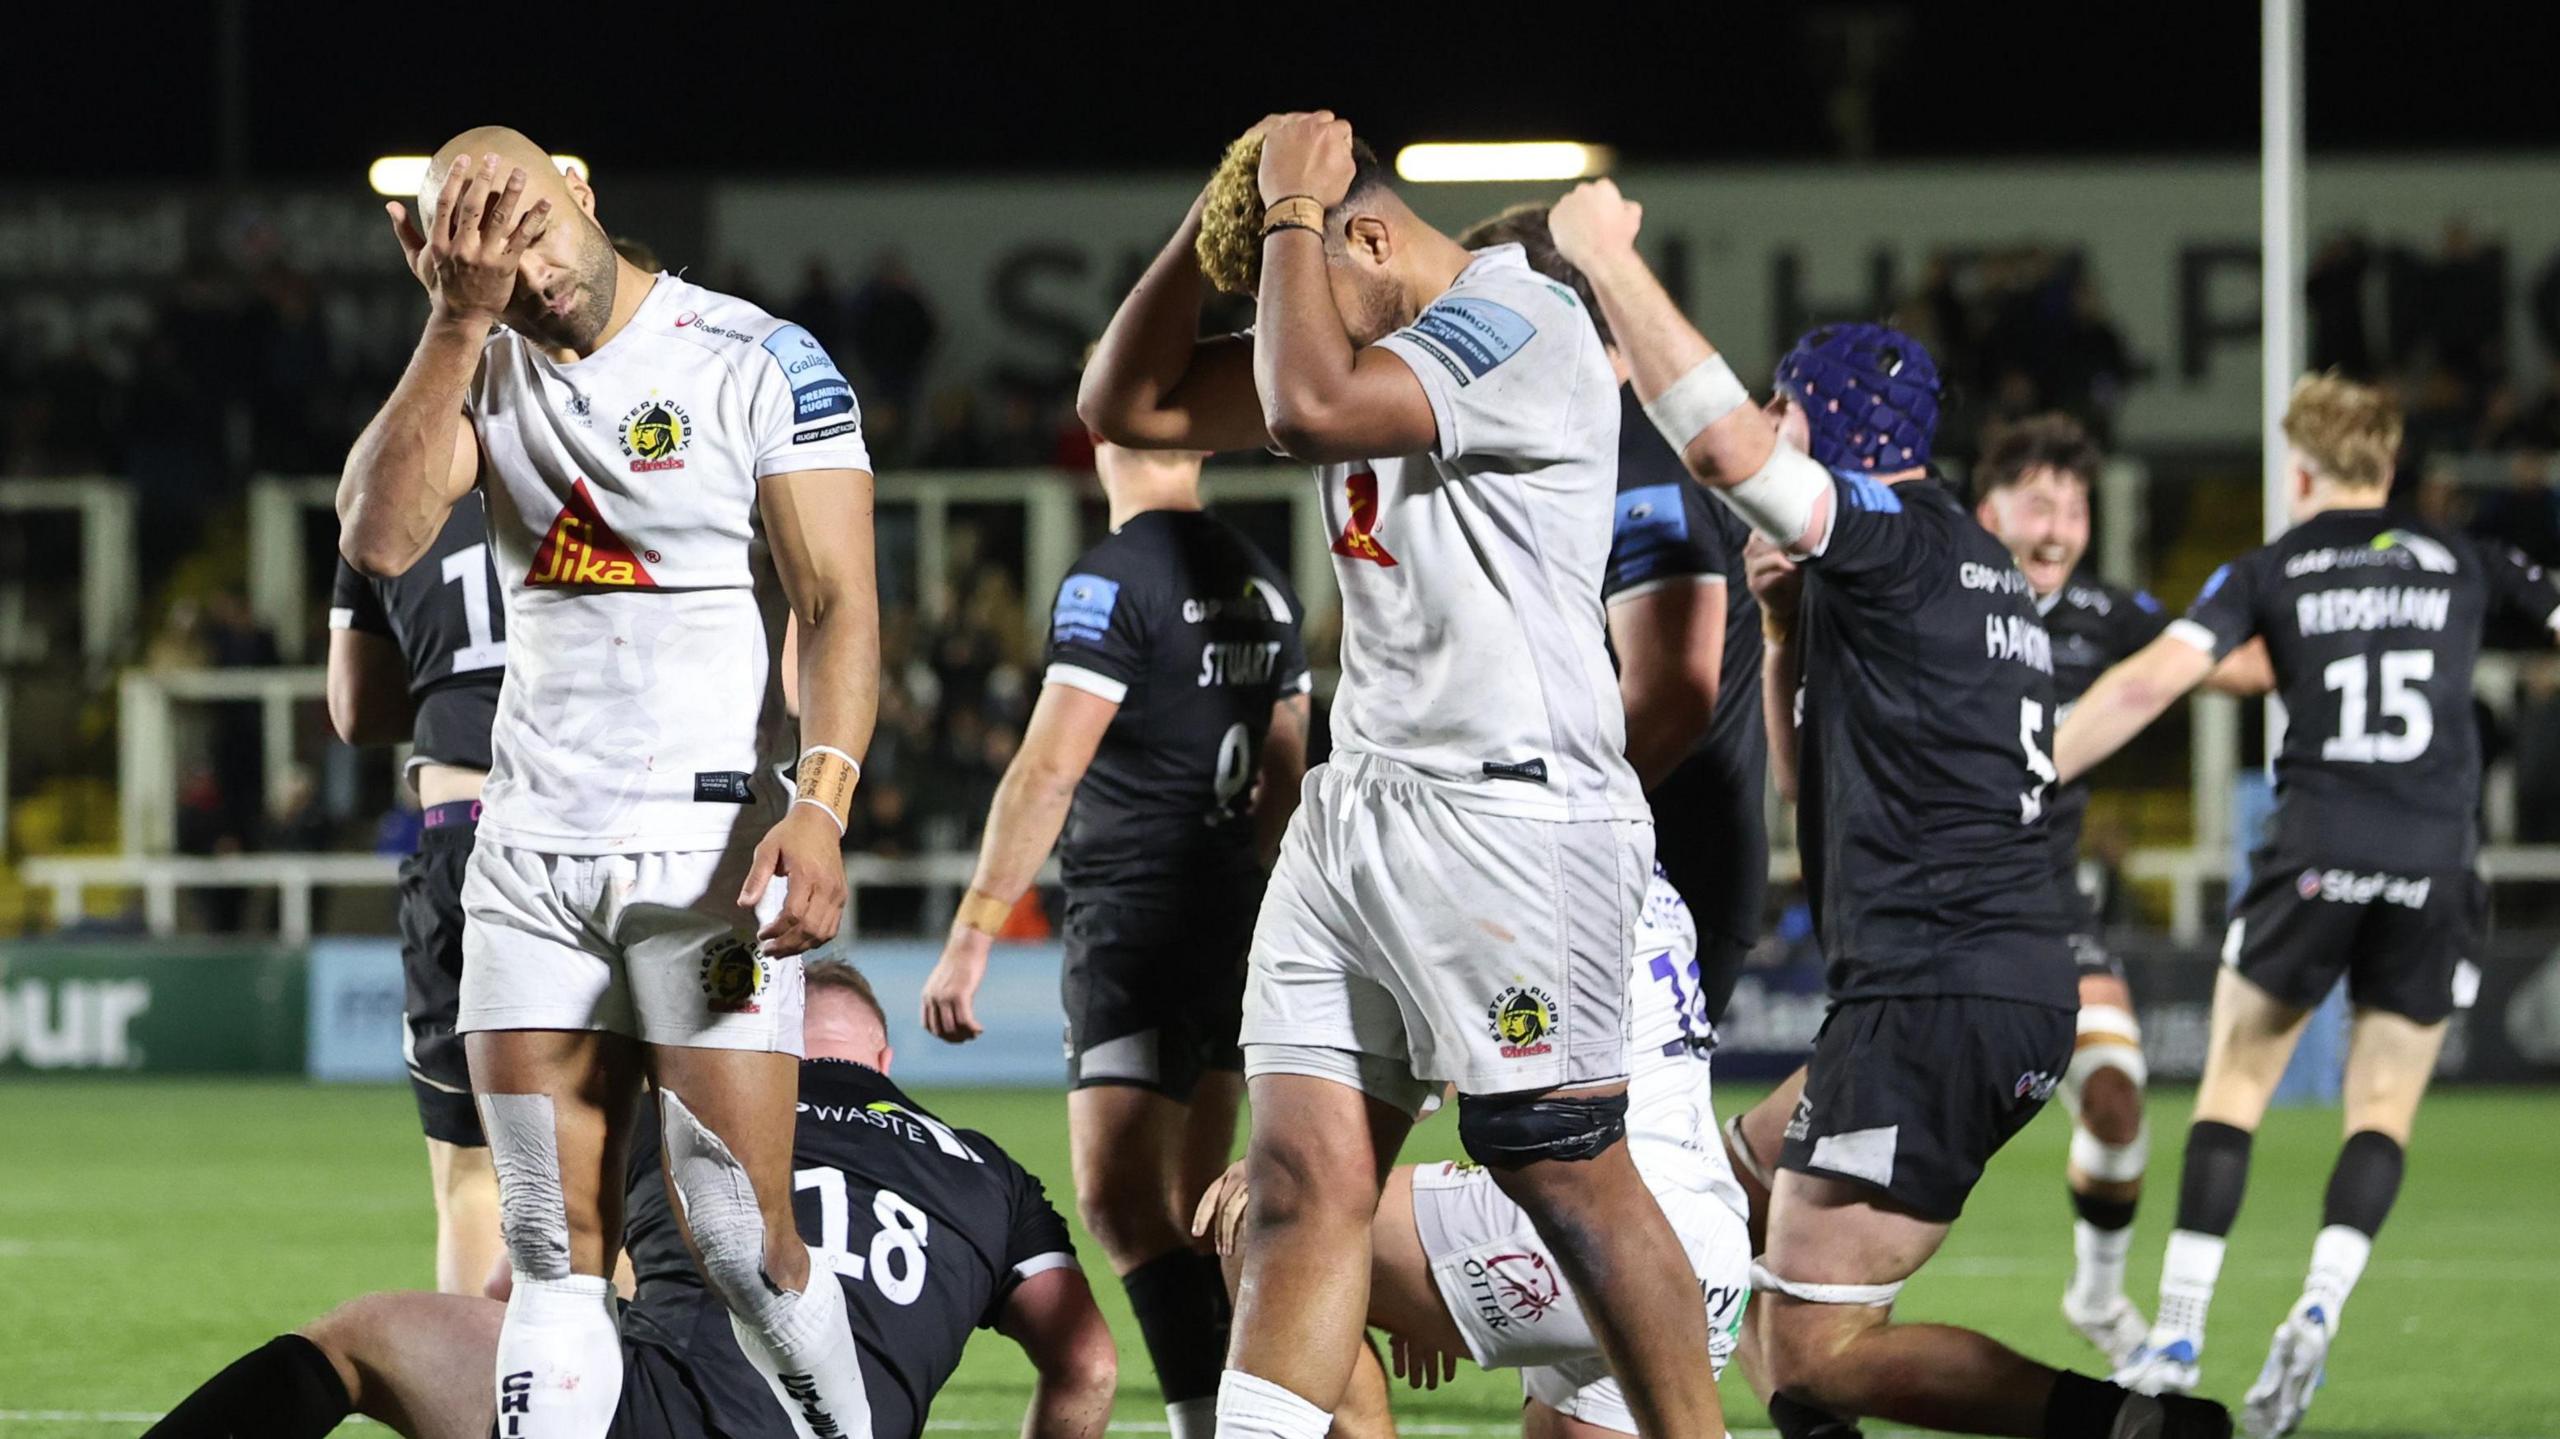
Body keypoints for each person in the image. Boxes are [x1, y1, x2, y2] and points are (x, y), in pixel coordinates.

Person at [1547, 177, 2230, 1439]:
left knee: (1805, 1351)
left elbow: (1716, 448)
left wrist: (1603, 263)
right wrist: (1776, 617)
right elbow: (1812, 784)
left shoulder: (1893, 530)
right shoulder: (1950, 566)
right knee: (1726, 1192)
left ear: (1838, 427)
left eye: (1788, 406)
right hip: (1967, 983)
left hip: (1932, 995)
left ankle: (2131, 1427)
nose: (1769, 421)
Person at [1078, 115, 1724, 1439]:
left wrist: (1293, 224)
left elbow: (1308, 407)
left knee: (1565, 1165)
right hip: (1357, 804)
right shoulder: (1350, 319)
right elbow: (1125, 405)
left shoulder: (1521, 322)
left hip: (1510, 813)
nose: (1287, 311)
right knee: (1302, 1179)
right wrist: (1232, 215)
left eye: (1303, 271)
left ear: (1367, 231)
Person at [337, 127, 879, 1437]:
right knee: (547, 1239)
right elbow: (379, 532)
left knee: (740, 1227)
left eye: (532, 226)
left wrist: (822, 800)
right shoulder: (478, 363)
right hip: (525, 866)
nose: (529, 272)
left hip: (701, 863)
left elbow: (841, 601)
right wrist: (457, 324)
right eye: (489, 259)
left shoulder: (756, 357)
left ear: (580, 191)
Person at [2056, 373, 2560, 1438]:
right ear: (2390, 468)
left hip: (2317, 849)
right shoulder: (2464, 557)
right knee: (2381, 1109)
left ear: (2298, 472)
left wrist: (2033, 761)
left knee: (2236, 1083)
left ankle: (2182, 1327)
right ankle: (2319, 1303)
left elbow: (2151, 684)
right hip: (2434, 855)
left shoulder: (2270, 566)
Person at [140, 962, 1119, 1439]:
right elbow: (1088, 1365)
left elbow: (505, 1289)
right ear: (885, 1062)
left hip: (661, 1409)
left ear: (770, 1049)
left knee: (360, 1339)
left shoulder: (680, 1101)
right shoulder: (989, 1172)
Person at [918, 437, 1312, 1439]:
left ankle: (1222, 1420)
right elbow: (1288, 768)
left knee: (1122, 1203)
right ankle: (1264, 1412)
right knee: (1196, 1211)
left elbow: (1050, 766)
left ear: (1106, 435)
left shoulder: (1113, 575)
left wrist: (973, 931)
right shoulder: (1259, 579)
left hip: (1136, 921)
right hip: (1234, 917)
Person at [1195, 869, 1754, 1439]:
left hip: (1592, 1225)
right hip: (1711, 1253)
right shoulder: (1641, 868)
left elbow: (1409, 1075)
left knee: (1266, 1218)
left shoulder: (1504, 857)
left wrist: (1321, 1207)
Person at [1969, 415, 2272, 1364]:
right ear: (1989, 509)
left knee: (2115, 1092)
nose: (2058, 528)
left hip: (2048, 904)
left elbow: (2249, 667)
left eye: (2075, 507)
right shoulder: (1938, 594)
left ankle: (2097, 1301)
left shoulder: (2109, 615)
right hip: (1928, 900)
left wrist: (2296, 594)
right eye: (2038, 504)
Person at [1455, 204, 1767, 1028]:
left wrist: (1519, 839)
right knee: (1573, 1151)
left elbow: (1673, 696)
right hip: (1629, 875)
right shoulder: (1598, 439)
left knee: (1560, 1151)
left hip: (1650, 884)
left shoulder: (1634, 452)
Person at [326, 496, 509, 1294]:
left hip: (460, 826)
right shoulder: (607, 440)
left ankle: (477, 1411)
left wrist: (447, 688)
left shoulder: (384, 485)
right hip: (598, 826)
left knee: (472, 1178)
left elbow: (354, 707)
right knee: (612, 1164)